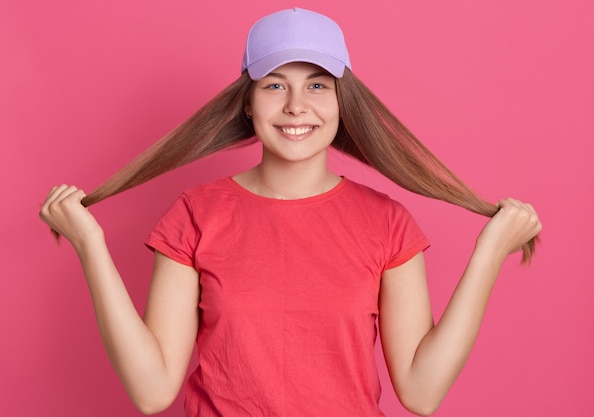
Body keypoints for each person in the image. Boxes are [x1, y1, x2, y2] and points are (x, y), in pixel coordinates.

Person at [39, 8, 541, 417]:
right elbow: (151, 392)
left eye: (318, 85)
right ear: (247, 103)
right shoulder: (195, 214)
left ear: (344, 103)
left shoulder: (388, 223)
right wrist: (90, 246)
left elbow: (422, 393)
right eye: (275, 85)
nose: (297, 105)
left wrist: (489, 254)